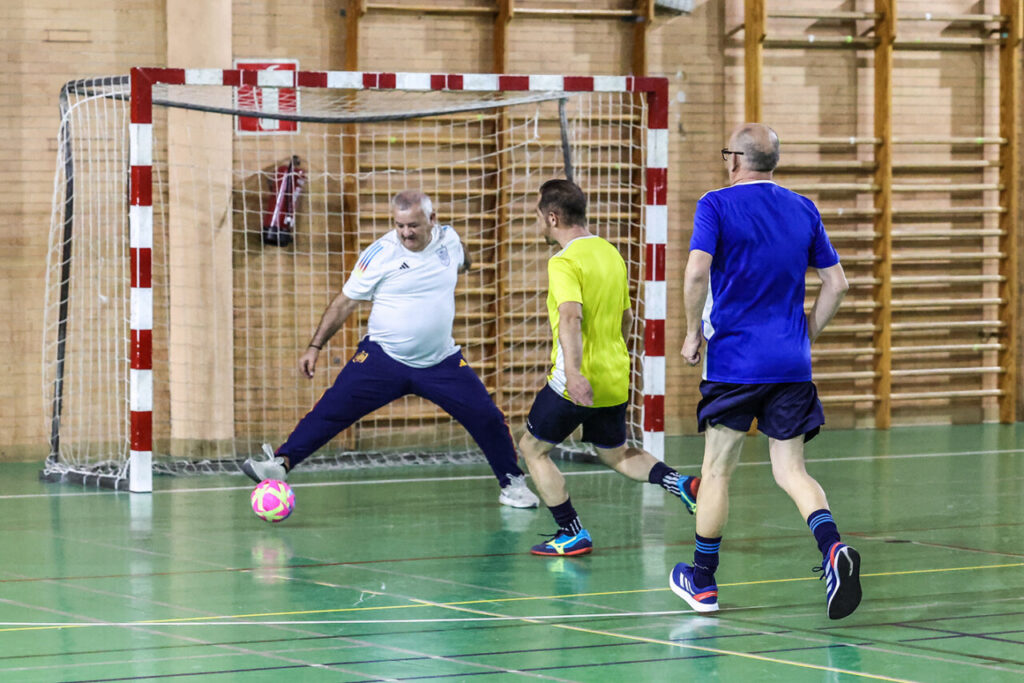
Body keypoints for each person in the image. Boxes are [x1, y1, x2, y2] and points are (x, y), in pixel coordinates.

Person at [240, 190, 540, 509]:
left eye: (413, 225)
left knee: (487, 417)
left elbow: (465, 261)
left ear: (432, 220)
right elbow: (344, 303)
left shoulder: (449, 239)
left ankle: (512, 483)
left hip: (441, 361)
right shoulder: (380, 254)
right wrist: (315, 346)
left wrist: (461, 261)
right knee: (330, 410)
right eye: (399, 225)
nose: (406, 233)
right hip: (383, 359)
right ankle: (281, 465)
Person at [671, 123, 860, 619]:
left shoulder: (716, 204)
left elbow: (695, 271)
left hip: (734, 364)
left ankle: (703, 581)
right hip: (790, 366)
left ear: (735, 160)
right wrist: (805, 336)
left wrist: (692, 333)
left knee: (716, 471)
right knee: (792, 471)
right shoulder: (804, 208)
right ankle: (833, 549)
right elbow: (837, 285)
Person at [518, 179, 701, 556]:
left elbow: (570, 317)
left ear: (552, 217)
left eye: (538, 215)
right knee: (614, 452)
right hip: (616, 375)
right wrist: (613, 357)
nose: (537, 222)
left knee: (532, 449)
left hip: (576, 378)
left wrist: (573, 372)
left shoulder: (564, 261)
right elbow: (628, 318)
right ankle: (680, 483)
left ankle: (571, 531)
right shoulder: (610, 253)